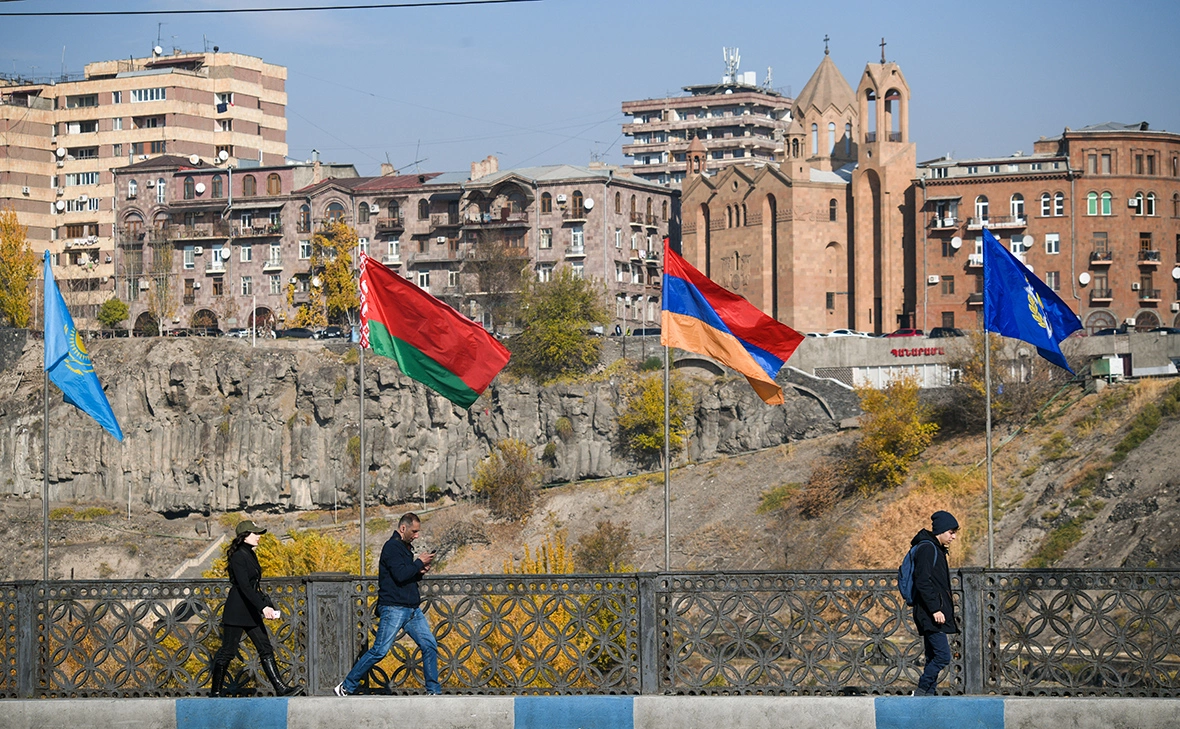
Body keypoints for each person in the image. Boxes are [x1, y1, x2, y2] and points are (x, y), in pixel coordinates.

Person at [335, 512, 440, 696]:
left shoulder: (405, 548)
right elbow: (400, 575)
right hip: (394, 608)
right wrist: (417, 563)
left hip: (412, 610)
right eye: (414, 531)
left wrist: (419, 571)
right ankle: (347, 686)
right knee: (379, 651)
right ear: (403, 528)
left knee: (429, 644)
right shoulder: (391, 547)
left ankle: (433, 690)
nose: (417, 535)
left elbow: (404, 576)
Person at [208, 520, 300, 697]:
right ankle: (216, 692)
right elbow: (244, 587)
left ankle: (280, 688)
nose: (258, 536)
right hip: (237, 610)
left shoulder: (250, 554)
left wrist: (267, 605)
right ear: (244, 536)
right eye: (255, 533)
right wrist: (262, 607)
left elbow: (254, 586)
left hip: (250, 609)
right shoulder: (238, 556)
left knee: (265, 648)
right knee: (228, 651)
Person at [909, 510, 959, 696]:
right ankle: (921, 691)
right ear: (941, 530)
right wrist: (935, 609)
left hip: (932, 611)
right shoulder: (927, 549)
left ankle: (929, 695)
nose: (953, 537)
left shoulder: (936, 549)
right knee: (942, 656)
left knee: (932, 656)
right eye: (951, 532)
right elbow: (922, 581)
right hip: (929, 613)